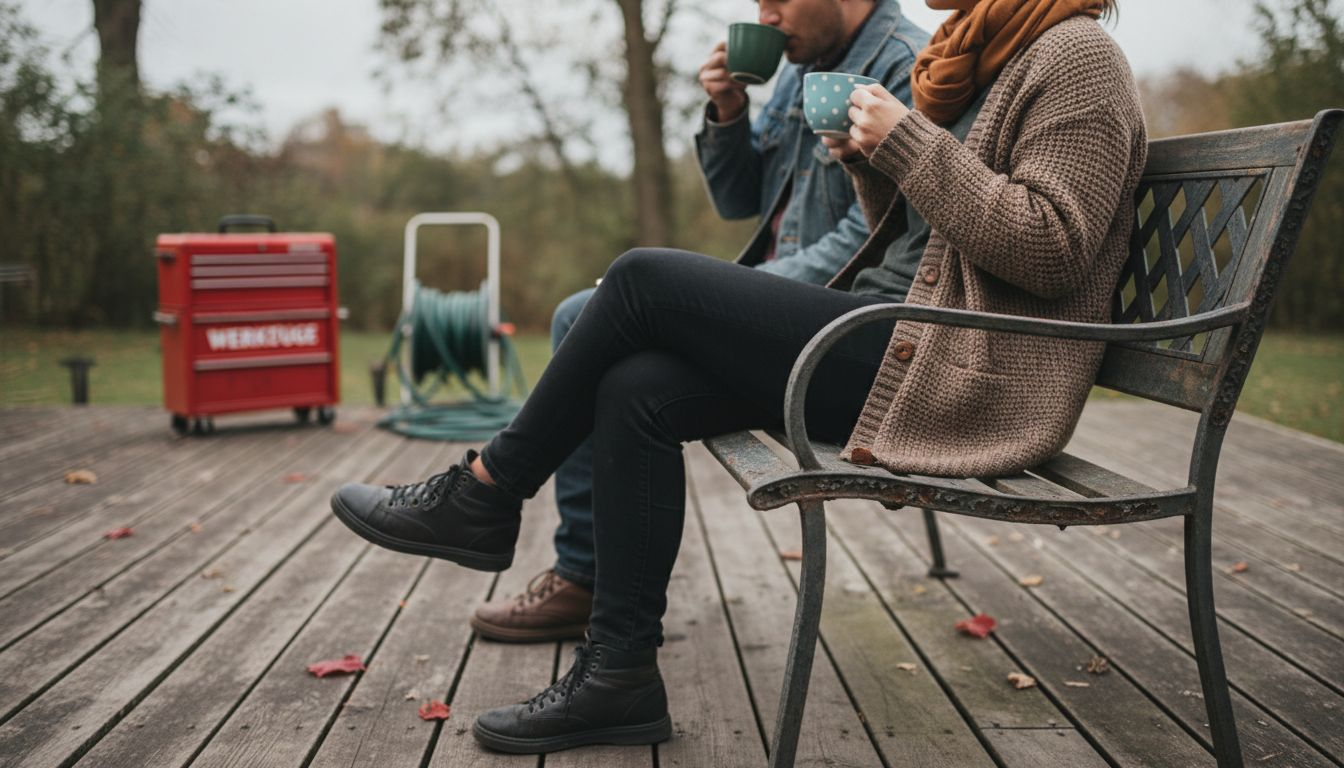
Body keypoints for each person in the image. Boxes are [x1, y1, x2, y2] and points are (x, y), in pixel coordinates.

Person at [331, 0, 1145, 755]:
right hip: (901, 341)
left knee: (641, 281)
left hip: (958, 374)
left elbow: (1052, 248)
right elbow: (928, 242)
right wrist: (871, 165)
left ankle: (486, 491)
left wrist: (904, 143)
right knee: (637, 386)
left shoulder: (1076, 55)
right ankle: (619, 674)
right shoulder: (983, 52)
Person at [467, 0, 929, 644]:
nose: (765, 15)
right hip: (784, 319)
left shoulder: (905, 67)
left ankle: (519, 523)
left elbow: (870, 238)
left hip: (841, 331)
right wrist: (728, 113)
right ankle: (584, 587)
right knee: (608, 345)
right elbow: (740, 200)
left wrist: (727, 296)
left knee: (608, 307)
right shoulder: (803, 70)